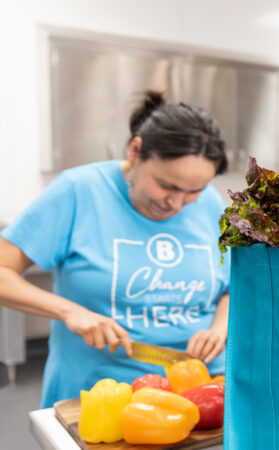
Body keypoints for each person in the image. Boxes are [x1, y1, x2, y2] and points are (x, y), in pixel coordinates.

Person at [0, 92, 231, 407]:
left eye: (194, 190)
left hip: (202, 391)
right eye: (167, 186)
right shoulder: (78, 191)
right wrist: (70, 311)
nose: (177, 204)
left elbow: (230, 285)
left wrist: (220, 327)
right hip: (103, 396)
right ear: (136, 152)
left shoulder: (210, 203)